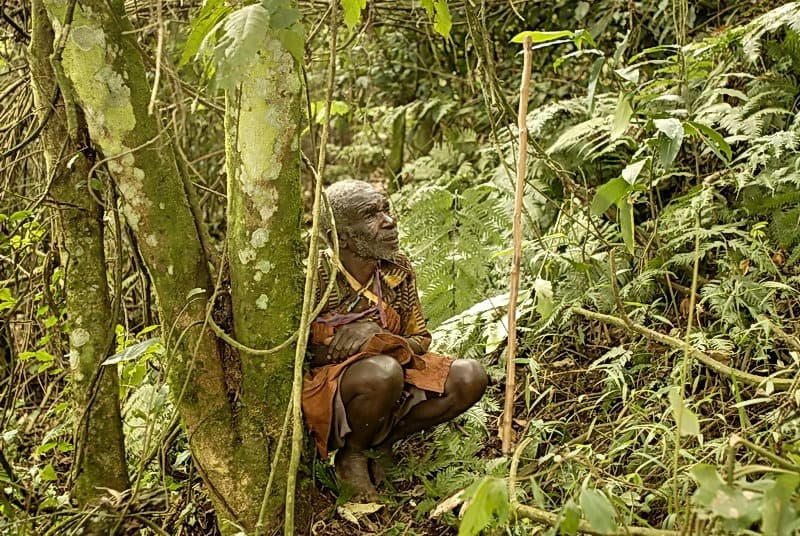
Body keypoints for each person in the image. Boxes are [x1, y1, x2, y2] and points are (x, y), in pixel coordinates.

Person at [302, 179, 488, 500]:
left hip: (391, 377)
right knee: (383, 372)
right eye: (371, 214)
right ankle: (353, 454)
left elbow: (419, 338)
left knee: (471, 377)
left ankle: (381, 441)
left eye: (386, 209)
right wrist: (344, 349)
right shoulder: (311, 277)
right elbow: (292, 357)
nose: (389, 221)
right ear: (340, 238)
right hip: (329, 393)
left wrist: (376, 336)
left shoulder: (397, 269)